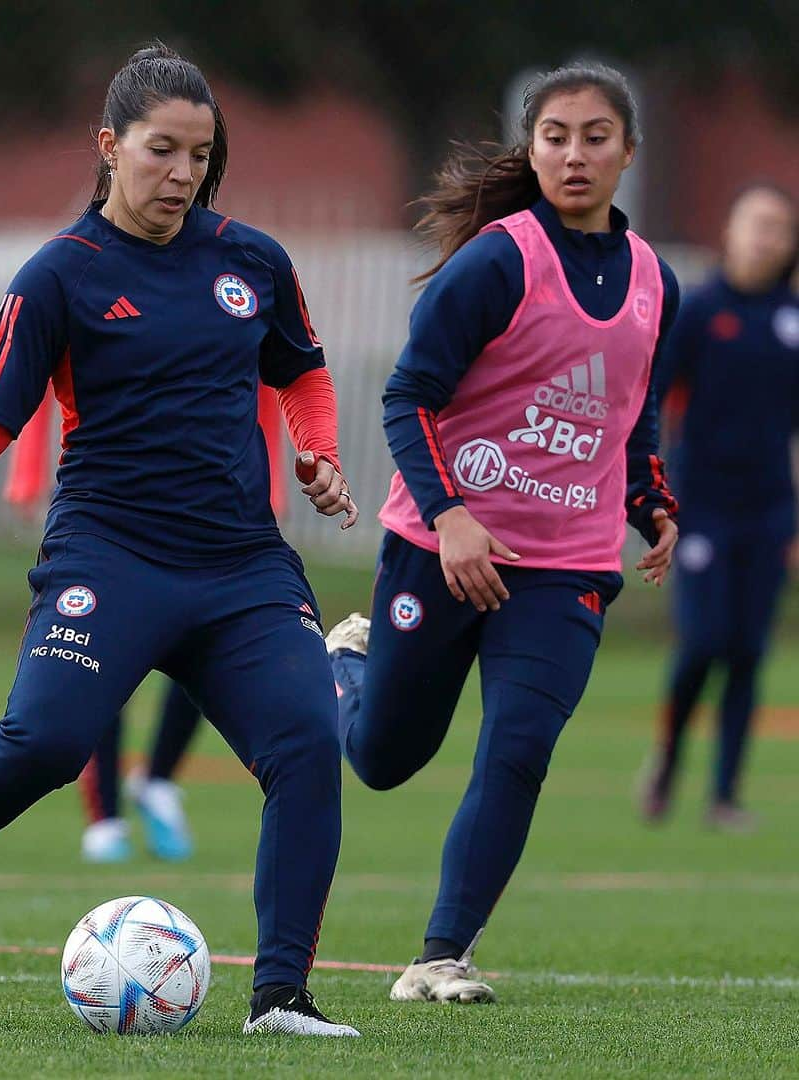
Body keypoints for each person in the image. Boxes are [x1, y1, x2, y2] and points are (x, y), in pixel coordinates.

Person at [0, 43, 361, 1038]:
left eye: (201, 155)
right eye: (163, 152)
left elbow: (305, 376)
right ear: (110, 146)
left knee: (309, 746)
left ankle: (281, 996)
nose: (184, 175)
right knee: (49, 743)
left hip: (242, 567)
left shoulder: (253, 261)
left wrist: (316, 452)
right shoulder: (59, 277)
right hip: (109, 558)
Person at [325, 62, 679, 1005]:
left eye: (596, 135)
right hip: (442, 546)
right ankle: (346, 667)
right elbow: (407, 396)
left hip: (565, 562)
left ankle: (441, 957)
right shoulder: (497, 259)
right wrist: (452, 520)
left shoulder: (655, 281)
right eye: (556, 135)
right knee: (385, 761)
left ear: (627, 152)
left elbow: (632, 411)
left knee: (519, 744)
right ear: (532, 149)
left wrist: (652, 500)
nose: (575, 153)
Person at [5, 385, 289, 863]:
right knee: (94, 651)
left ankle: (158, 780)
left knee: (210, 639)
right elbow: (40, 374)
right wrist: (28, 475)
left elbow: (264, 387)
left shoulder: (239, 309)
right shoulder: (100, 311)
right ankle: (107, 816)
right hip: (108, 503)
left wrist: (270, 486)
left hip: (207, 503)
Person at [640, 183, 799, 831]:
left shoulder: (792, 320)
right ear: (730, 232)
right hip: (702, 507)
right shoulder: (700, 310)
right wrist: (655, 498)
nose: (765, 238)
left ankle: (724, 795)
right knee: (703, 642)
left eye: (778, 228)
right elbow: (650, 402)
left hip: (769, 513)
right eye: (754, 224)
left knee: (748, 651)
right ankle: (668, 762)